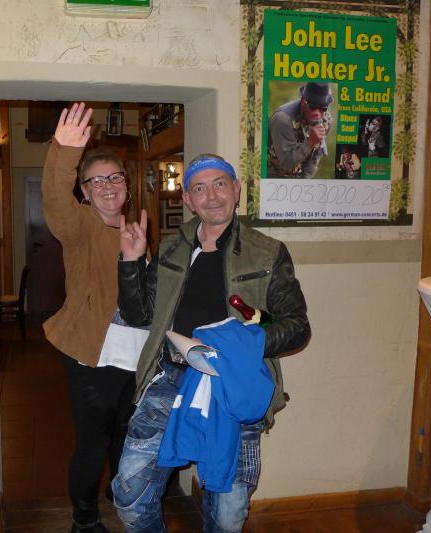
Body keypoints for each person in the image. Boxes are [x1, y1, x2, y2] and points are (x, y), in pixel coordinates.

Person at [113, 153, 311, 532]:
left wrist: (237, 346)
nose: (212, 196)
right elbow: (140, 315)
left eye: (220, 184)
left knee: (227, 516)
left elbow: (297, 326)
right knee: (130, 497)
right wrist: (131, 261)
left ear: (236, 190)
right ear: (188, 199)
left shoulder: (267, 252)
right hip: (171, 380)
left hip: (232, 385)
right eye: (200, 189)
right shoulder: (172, 249)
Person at [42, 102, 141, 533]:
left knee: (124, 430)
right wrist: (64, 151)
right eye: (95, 180)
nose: (106, 186)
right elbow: (54, 201)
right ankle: (84, 519)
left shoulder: (135, 229)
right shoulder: (80, 225)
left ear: (126, 185)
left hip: (133, 352)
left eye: (114, 177)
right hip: (91, 352)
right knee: (93, 441)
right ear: (83, 191)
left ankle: (117, 492)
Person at [267, 82, 333, 178]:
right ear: (303, 101)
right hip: (272, 174)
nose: (318, 113)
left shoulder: (326, 120)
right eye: (313, 107)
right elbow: (286, 164)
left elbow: (315, 158)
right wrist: (310, 142)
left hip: (298, 177)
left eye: (323, 108)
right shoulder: (282, 120)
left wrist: (304, 180)